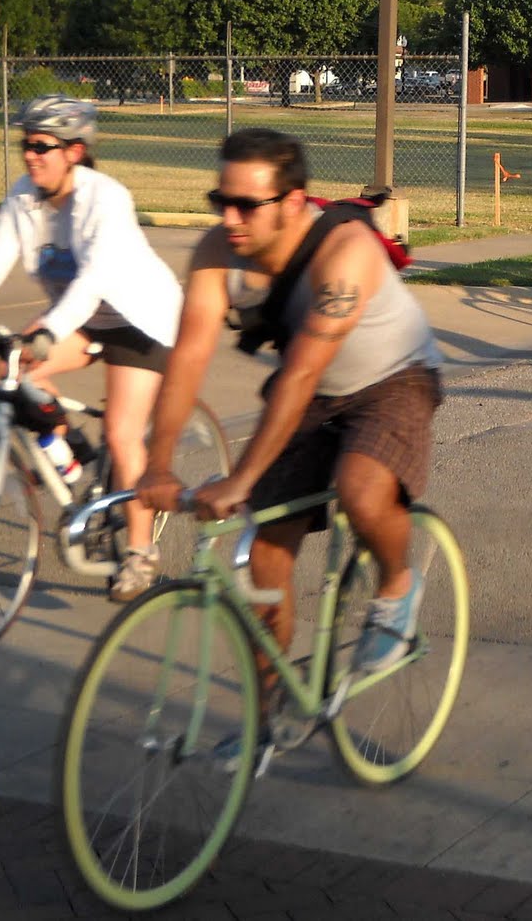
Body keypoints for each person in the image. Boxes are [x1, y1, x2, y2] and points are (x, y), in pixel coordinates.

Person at [138, 127, 444, 777]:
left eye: (247, 204)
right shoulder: (220, 252)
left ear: (294, 200)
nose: (230, 216)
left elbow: (302, 371)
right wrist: (155, 462)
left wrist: (240, 476)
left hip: (393, 378)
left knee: (363, 491)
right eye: (221, 199)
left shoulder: (345, 249)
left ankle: (396, 588)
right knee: (262, 555)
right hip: (311, 394)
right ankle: (268, 712)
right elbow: (187, 358)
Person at [0, 95, 182, 602]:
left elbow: (97, 276)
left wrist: (50, 328)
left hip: (139, 320)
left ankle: (139, 552)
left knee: (125, 434)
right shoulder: (25, 198)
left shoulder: (105, 198)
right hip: (82, 316)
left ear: (75, 151)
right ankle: (79, 459)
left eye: (43, 146)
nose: (31, 156)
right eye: (26, 145)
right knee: (14, 368)